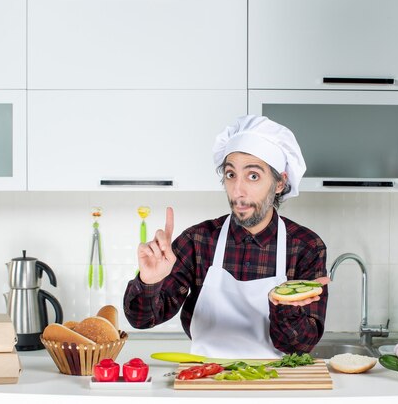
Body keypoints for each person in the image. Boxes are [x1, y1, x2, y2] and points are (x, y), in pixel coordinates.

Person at [123, 115, 328, 359]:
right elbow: (141, 320)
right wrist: (149, 282)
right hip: (204, 379)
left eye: (253, 176)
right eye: (231, 175)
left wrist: (285, 306)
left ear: (280, 183)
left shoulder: (306, 247)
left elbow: (300, 347)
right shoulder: (197, 241)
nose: (238, 190)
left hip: (274, 385)